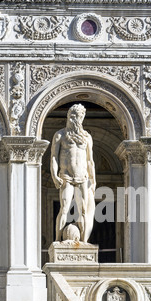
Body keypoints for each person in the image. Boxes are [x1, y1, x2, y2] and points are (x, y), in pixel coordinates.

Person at [50, 103, 96, 243]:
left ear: (82, 117)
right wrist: (54, 175)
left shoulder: (87, 137)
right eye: (72, 115)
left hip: (82, 177)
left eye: (78, 115)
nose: (75, 118)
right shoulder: (60, 135)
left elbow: (90, 160)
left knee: (83, 211)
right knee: (64, 208)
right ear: (68, 116)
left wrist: (93, 180)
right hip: (66, 177)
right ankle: (57, 239)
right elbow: (53, 157)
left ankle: (84, 241)